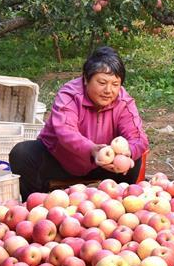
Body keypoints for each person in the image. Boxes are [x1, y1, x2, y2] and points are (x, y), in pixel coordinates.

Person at [9, 47, 149, 200]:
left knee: (134, 157)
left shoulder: (124, 102)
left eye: (115, 84)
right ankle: (36, 204)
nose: (109, 90)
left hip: (105, 164)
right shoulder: (69, 94)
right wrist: (92, 149)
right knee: (22, 153)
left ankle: (122, 206)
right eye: (102, 82)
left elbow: (139, 138)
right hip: (61, 160)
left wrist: (127, 154)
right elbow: (65, 132)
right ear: (85, 79)